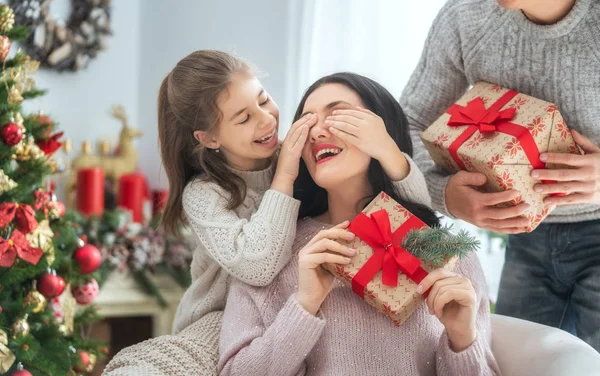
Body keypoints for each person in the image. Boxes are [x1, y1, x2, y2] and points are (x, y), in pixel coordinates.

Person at [218, 72, 500, 376]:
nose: (316, 131)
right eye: (306, 122)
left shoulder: (448, 253)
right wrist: (304, 305)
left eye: (338, 114)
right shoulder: (270, 254)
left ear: (382, 131)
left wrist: (462, 339)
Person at [400, 0, 600, 349]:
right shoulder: (466, 15)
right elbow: (408, 125)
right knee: (512, 360)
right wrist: (444, 194)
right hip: (526, 237)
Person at [105, 50, 315, 375]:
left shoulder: (299, 157)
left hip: (290, 310)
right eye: (244, 118)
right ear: (209, 138)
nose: (266, 119)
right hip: (217, 320)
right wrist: (285, 176)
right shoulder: (204, 194)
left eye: (264, 99)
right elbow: (258, 266)